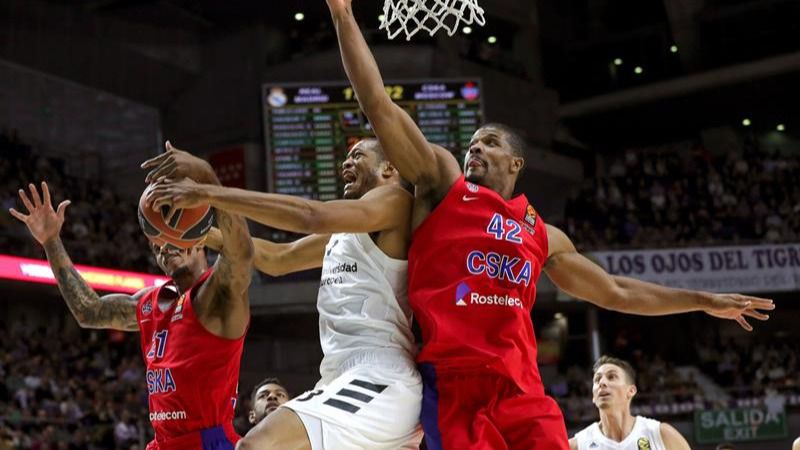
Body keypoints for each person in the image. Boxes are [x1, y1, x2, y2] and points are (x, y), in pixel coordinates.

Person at [325, 1, 776, 448]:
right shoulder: (443, 184)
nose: (475, 149)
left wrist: (701, 300)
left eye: (490, 142)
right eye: (473, 143)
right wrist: (343, 14)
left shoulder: (541, 233)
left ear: (516, 162)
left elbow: (616, 291)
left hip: (523, 391)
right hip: (454, 388)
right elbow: (379, 105)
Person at [146, 140, 422, 450]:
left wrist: (209, 189)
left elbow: (310, 215)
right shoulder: (347, 234)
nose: (345, 164)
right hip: (340, 377)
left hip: (380, 376)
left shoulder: (395, 201)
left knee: (256, 446)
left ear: (389, 167)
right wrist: (191, 231)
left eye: (357, 155)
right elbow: (278, 258)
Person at [10, 144, 254, 449]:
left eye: (174, 235)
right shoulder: (150, 303)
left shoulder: (217, 295)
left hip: (208, 441)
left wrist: (207, 180)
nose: (165, 246)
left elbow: (241, 256)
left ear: (199, 237)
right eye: (157, 243)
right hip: (161, 443)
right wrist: (51, 242)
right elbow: (89, 311)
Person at [569, 356, 691, 450]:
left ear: (631, 391)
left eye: (611, 377)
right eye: (597, 379)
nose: (602, 383)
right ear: (593, 396)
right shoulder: (577, 445)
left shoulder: (661, 435)